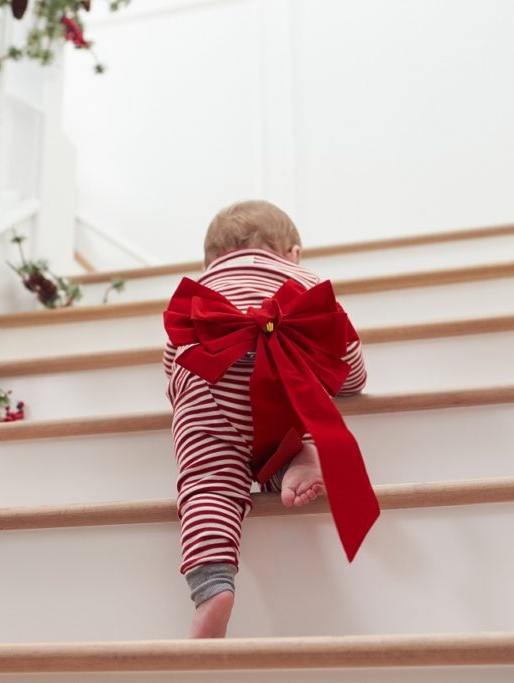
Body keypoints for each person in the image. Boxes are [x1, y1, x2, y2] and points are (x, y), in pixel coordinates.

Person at [162, 199, 372, 639]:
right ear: (292, 252)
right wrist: (350, 382)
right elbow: (345, 356)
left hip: (206, 382)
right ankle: (292, 459)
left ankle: (212, 587)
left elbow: (174, 353)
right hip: (282, 385)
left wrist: (185, 395)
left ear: (211, 258)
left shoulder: (201, 287)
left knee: (207, 482)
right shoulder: (306, 282)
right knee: (280, 432)